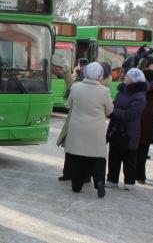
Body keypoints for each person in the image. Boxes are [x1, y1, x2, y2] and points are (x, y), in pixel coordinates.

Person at [63, 62, 114, 198]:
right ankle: (99, 181)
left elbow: (69, 104)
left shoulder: (76, 87)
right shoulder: (104, 91)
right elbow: (110, 110)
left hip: (77, 128)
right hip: (95, 130)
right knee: (98, 158)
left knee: (77, 157)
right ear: (100, 75)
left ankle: (76, 185)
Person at [106, 68, 148, 190]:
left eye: (127, 76)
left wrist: (113, 112)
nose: (124, 77)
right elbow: (113, 106)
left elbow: (130, 114)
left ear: (133, 80)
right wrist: (111, 111)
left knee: (129, 157)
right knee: (114, 155)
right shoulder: (122, 92)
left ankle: (129, 181)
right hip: (116, 129)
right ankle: (112, 179)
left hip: (129, 131)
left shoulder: (140, 96)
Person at [136, 69, 153, 184]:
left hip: (136, 126)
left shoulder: (139, 90)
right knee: (143, 152)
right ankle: (141, 176)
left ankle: (134, 174)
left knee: (134, 152)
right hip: (150, 128)